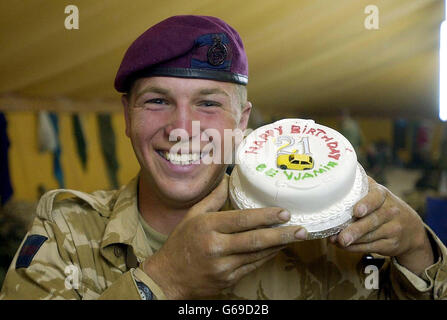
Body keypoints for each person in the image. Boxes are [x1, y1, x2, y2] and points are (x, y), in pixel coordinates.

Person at [1, 15, 446, 300]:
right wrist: (165, 281)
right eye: (156, 101)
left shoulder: (315, 232)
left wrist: (417, 250)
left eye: (208, 104)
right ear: (126, 115)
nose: (182, 128)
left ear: (242, 121)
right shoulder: (67, 230)